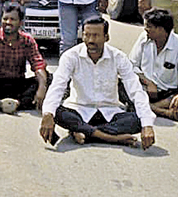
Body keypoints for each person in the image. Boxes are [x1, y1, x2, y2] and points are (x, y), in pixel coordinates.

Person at [40, 16, 156, 150]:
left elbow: (135, 90)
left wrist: (147, 125)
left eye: (95, 36)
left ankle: (85, 133)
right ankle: (111, 138)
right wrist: (48, 114)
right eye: (86, 35)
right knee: (58, 113)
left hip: (109, 113)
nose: (90, 40)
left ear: (106, 37)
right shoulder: (71, 56)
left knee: (138, 120)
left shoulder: (118, 57)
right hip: (79, 110)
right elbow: (57, 86)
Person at [130, 8, 178, 121]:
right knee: (120, 83)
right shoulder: (144, 38)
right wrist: (148, 82)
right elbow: (131, 65)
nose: (145, 29)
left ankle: (146, 108)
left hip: (167, 94)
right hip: (145, 90)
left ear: (161, 29)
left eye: (149, 26)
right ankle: (162, 112)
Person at [0, 2, 48, 114]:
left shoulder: (27, 40)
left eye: (12, 19)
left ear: (20, 23)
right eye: (5, 19)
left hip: (17, 84)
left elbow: (38, 64)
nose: (8, 23)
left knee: (47, 79)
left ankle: (14, 103)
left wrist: (42, 88)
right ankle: (7, 103)